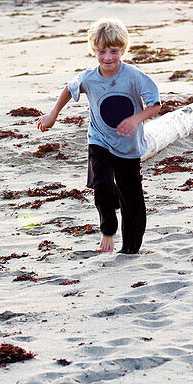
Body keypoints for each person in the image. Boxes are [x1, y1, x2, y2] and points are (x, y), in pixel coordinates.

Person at [37, 18, 162, 254]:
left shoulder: (134, 76)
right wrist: (52, 115)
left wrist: (136, 119)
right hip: (99, 141)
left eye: (114, 51)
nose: (107, 58)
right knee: (102, 184)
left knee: (132, 200)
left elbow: (155, 105)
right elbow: (69, 89)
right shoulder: (89, 77)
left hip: (128, 146)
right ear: (93, 50)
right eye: (101, 51)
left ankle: (130, 250)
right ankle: (108, 228)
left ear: (123, 50)